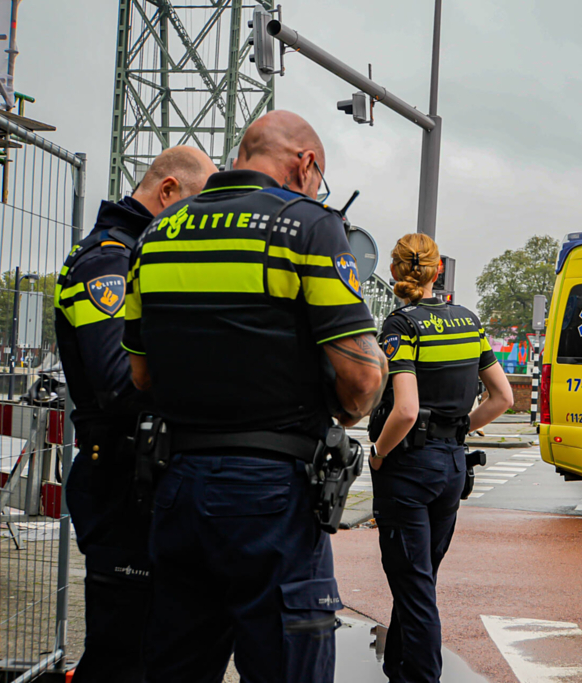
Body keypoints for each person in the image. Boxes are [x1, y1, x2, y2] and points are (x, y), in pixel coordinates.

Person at [122, 110, 388, 683]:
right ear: (306, 164)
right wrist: (345, 404)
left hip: (178, 485)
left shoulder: (155, 236)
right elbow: (362, 379)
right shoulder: (308, 225)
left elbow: (141, 376)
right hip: (273, 496)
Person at [54, 146, 218, 683]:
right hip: (120, 479)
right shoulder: (109, 260)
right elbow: (117, 383)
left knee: (157, 649)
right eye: (195, 207)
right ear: (167, 192)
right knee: (123, 656)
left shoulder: (143, 256)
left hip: (146, 477)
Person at [369, 233, 513, 682]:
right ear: (437, 272)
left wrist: (377, 454)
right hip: (451, 465)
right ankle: (397, 668)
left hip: (408, 469)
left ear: (395, 271)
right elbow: (503, 396)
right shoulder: (469, 322)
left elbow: (405, 409)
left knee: (415, 588)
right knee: (418, 580)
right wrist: (458, 430)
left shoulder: (402, 325)